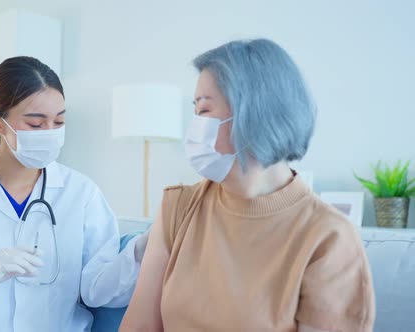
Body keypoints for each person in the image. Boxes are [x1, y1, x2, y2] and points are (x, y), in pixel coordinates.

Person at [120, 39, 375, 332]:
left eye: (203, 111)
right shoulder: (179, 207)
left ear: (255, 113)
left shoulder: (329, 237)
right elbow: (138, 327)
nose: (194, 126)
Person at [0, 56, 148, 331]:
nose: (50, 133)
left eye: (59, 122)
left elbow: (97, 291)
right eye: (35, 123)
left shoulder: (82, 194)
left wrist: (141, 251)